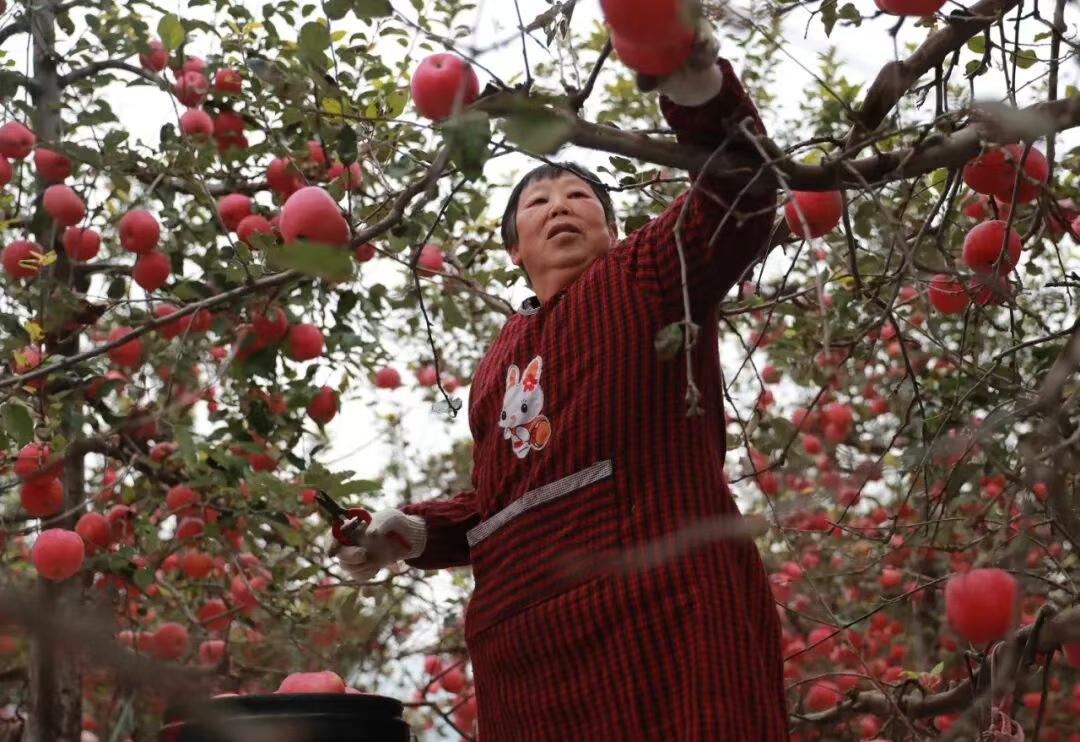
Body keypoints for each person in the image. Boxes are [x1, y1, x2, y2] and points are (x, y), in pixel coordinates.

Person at [331, 19, 789, 741]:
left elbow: (742, 199)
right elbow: (503, 500)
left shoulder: (646, 276)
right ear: (514, 247)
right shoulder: (494, 368)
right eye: (539, 204)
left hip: (664, 613)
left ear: (611, 229)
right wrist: (414, 533)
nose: (561, 208)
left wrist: (696, 88)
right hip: (527, 656)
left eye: (580, 198)